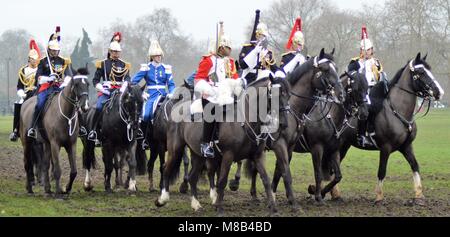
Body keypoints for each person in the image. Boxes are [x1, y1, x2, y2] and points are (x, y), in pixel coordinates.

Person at [194, 22, 240, 158]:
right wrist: (211, 89)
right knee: (212, 112)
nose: (230, 49)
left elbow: (235, 77)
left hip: (226, 95)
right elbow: (198, 79)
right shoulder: (208, 61)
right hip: (210, 95)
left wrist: (239, 84)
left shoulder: (230, 62)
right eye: (227, 47)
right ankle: (206, 143)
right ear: (220, 48)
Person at [27, 27, 73, 138]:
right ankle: (33, 128)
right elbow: (38, 78)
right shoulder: (43, 61)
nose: (55, 52)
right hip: (47, 88)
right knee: (39, 105)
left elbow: (69, 76)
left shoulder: (63, 61)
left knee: (74, 104)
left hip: (60, 88)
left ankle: (81, 128)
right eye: (53, 50)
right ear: (49, 49)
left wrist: (63, 84)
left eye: (57, 50)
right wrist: (48, 78)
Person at [88, 32, 131, 145]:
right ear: (110, 52)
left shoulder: (124, 65)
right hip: (107, 91)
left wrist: (124, 87)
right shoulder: (102, 64)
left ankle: (133, 131)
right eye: (114, 52)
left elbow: (127, 78)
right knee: (98, 107)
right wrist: (102, 89)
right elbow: (95, 81)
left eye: (118, 52)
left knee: (132, 106)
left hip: (120, 91)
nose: (116, 54)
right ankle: (94, 131)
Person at [131, 40, 175, 148]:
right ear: (152, 56)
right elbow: (133, 82)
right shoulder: (146, 68)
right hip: (151, 95)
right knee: (146, 115)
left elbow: (171, 84)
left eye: (160, 55)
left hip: (164, 95)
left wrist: (172, 93)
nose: (159, 57)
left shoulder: (166, 68)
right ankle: (144, 138)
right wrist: (141, 94)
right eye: (156, 55)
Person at [347, 25, 386, 147]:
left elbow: (380, 77)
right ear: (361, 51)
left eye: (369, 50)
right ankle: (362, 135)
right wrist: (361, 63)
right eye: (365, 50)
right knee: (367, 108)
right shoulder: (355, 62)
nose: (367, 52)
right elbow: (351, 74)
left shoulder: (376, 62)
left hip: (375, 90)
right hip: (361, 92)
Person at [9, 40, 41, 141]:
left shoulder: (40, 69)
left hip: (38, 92)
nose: (35, 61)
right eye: (33, 59)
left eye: (36, 59)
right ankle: (16, 130)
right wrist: (22, 94)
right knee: (18, 105)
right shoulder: (23, 70)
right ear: (29, 59)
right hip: (26, 93)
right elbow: (19, 86)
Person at [239, 10, 281, 84]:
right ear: (257, 35)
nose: (263, 38)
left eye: (264, 36)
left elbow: (274, 68)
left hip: (263, 82)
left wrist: (279, 73)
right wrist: (254, 52)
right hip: (248, 80)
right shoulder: (247, 48)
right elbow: (242, 65)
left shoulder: (268, 52)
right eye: (262, 36)